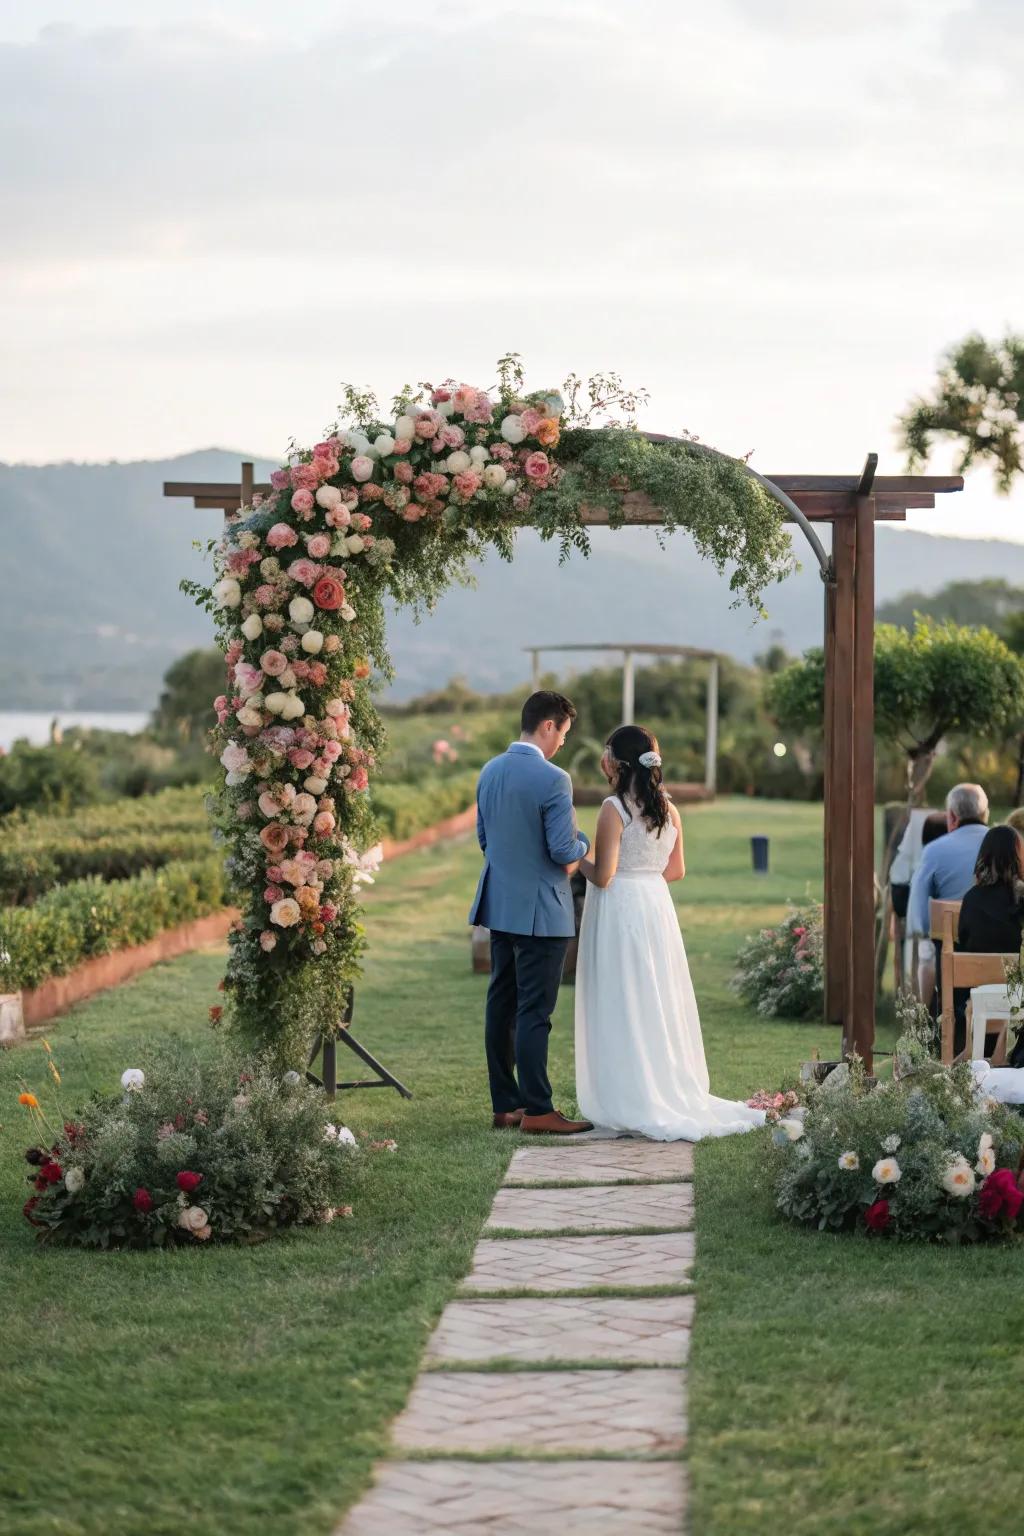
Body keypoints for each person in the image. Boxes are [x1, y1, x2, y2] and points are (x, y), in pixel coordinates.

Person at [573, 724, 766, 1141]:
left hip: (620, 908)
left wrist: (575, 858)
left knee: (623, 996)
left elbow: (603, 876)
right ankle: (662, 1084)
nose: (603, 759)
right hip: (655, 906)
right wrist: (644, 877)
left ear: (617, 763)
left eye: (607, 752)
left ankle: (632, 1094)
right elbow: (676, 870)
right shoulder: (668, 809)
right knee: (655, 996)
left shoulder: (613, 808)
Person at [470, 691, 593, 1135]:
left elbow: (485, 839)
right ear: (548, 725)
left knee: (501, 1005)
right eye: (563, 733)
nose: (562, 742)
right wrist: (584, 843)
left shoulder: (489, 770)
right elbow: (563, 851)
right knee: (534, 1011)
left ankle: (507, 1106)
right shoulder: (554, 779)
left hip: (500, 906)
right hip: (543, 911)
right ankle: (539, 1109)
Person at [953, 825, 1024, 1059]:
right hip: (1017, 1005)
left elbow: (964, 943)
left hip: (977, 1002)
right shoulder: (1021, 899)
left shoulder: (971, 899)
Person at [907, 783, 990, 941]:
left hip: (950, 945)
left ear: (951, 816)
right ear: (986, 813)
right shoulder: (1009, 845)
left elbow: (918, 916)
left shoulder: (933, 850)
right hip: (1001, 946)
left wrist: (925, 932)